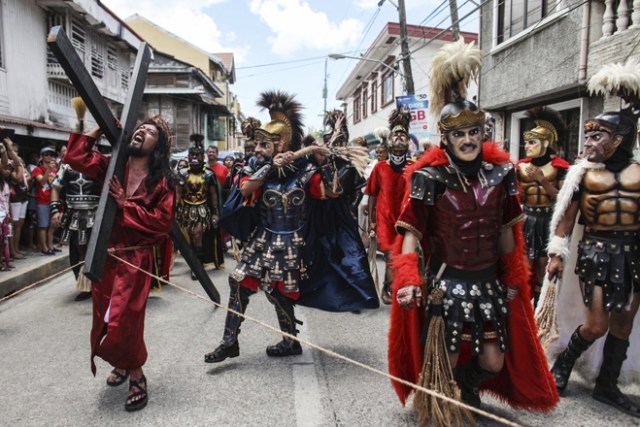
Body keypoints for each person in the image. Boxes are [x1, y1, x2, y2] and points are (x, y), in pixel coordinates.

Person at [388, 39, 558, 423]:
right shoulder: (428, 179)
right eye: (459, 134)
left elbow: (507, 235)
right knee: (443, 356)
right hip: (447, 284)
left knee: (494, 361)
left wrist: (515, 275)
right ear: (445, 139)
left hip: (488, 284)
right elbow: (410, 236)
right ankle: (446, 395)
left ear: (482, 134)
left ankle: (467, 382)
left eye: (473, 132)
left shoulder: (501, 176)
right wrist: (409, 280)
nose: (467, 140)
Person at [205, 90, 378, 363]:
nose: (258, 150)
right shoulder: (257, 170)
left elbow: (331, 192)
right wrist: (268, 167)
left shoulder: (305, 173)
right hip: (262, 239)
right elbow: (246, 187)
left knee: (278, 290)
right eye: (257, 145)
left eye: (264, 145)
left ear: (281, 144)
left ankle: (290, 341)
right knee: (238, 281)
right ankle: (230, 342)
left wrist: (326, 161)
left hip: (294, 243)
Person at [545, 59, 640, 417]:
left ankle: (607, 385)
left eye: (596, 135)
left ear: (618, 140)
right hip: (597, 253)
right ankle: (564, 365)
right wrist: (557, 253)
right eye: (587, 135)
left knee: (623, 324)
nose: (588, 143)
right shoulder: (582, 175)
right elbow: (565, 219)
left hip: (633, 256)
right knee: (597, 324)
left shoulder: (639, 173)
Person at [64, 115, 175, 412]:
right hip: (107, 254)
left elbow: (163, 222)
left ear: (158, 146)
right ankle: (122, 364)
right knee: (105, 317)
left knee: (126, 319)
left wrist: (128, 205)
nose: (141, 132)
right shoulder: (111, 165)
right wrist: (102, 125)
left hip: (136, 257)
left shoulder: (162, 181)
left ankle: (137, 373)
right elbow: (75, 157)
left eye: (149, 131)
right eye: (139, 128)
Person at [516, 107, 569, 307]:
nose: (527, 146)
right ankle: (522, 306)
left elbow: (562, 198)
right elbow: (514, 197)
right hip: (527, 218)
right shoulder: (519, 167)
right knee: (524, 264)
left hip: (549, 219)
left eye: (532, 142)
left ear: (545, 143)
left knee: (542, 265)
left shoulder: (560, 167)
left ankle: (540, 307)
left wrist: (542, 181)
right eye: (526, 142)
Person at [365, 109, 414, 304]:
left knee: (402, 255)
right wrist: (371, 222)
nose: (400, 137)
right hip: (385, 219)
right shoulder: (380, 167)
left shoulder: (413, 166)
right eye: (396, 134)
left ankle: (395, 287)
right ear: (389, 141)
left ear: (408, 140)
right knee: (391, 254)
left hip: (406, 218)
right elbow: (371, 195)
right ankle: (388, 289)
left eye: (403, 134)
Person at [50, 142, 102, 301]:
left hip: (96, 213)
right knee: (77, 251)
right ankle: (84, 286)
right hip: (73, 214)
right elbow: (55, 188)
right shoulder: (66, 166)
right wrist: (55, 211)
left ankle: (99, 285)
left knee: (99, 249)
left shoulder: (98, 164)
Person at [175, 136, 220, 278]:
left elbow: (213, 196)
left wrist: (215, 213)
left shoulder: (208, 174)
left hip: (201, 210)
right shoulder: (182, 174)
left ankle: (198, 265)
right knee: (188, 239)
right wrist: (173, 211)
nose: (194, 158)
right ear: (188, 157)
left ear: (202, 157)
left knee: (197, 235)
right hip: (185, 210)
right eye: (192, 155)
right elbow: (177, 194)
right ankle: (193, 262)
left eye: (197, 155)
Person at [31, 146, 58, 255]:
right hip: (42, 200)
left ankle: (50, 245)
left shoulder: (55, 169)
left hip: (53, 200)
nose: (49, 157)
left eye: (51, 154)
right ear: (42, 157)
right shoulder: (37, 169)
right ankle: (44, 248)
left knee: (53, 225)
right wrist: (49, 170)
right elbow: (42, 182)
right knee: (43, 225)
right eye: (46, 154)